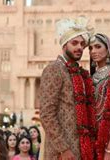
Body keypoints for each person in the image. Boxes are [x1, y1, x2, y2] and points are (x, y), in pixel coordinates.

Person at [40, 17, 95, 160]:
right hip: (62, 153)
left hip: (81, 148)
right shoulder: (54, 69)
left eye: (82, 44)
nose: (79, 47)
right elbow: (47, 114)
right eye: (74, 43)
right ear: (64, 45)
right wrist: (63, 148)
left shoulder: (80, 73)